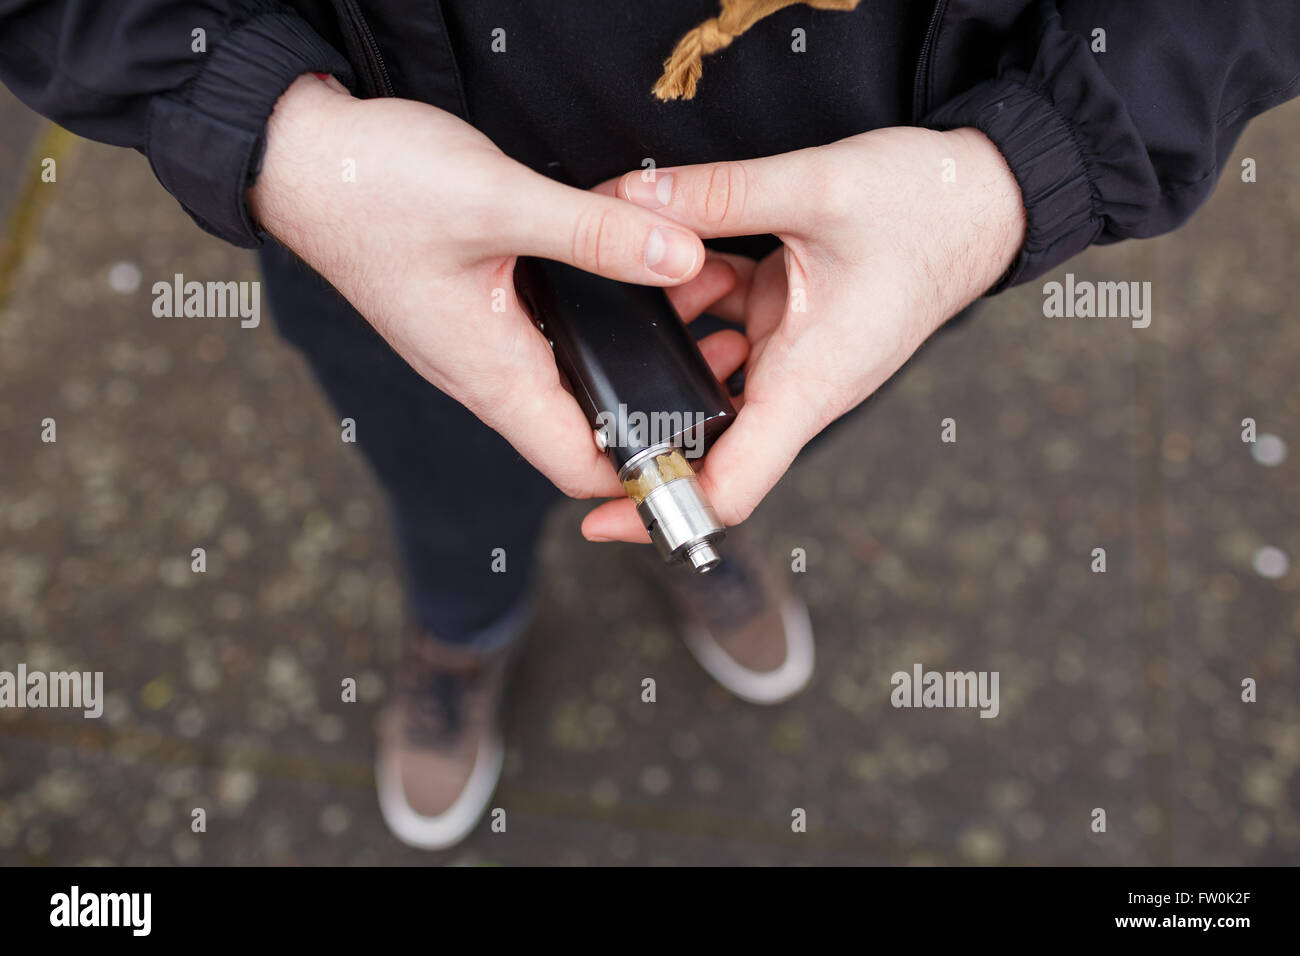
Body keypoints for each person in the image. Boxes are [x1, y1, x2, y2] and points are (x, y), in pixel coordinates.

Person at [2, 0, 1297, 850]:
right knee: (441, 477)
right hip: (386, 222)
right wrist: (272, 133)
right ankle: (463, 632)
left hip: (857, 228)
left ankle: (702, 530)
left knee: (761, 429)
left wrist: (1027, 172)